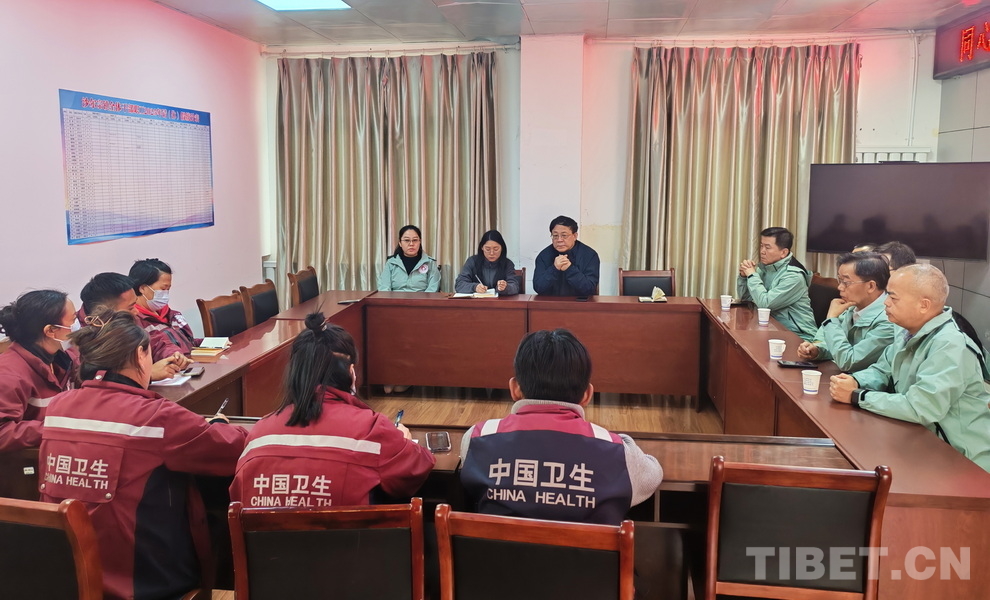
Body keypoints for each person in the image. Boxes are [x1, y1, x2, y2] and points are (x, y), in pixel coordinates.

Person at [39, 309, 247, 600]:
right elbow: (233, 449)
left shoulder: (58, 406)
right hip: (143, 582)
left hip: (67, 576)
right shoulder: (156, 416)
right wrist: (219, 425)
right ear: (140, 355)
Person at [230, 313, 435, 507]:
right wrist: (403, 442)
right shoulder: (371, 429)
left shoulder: (259, 433)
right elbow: (416, 469)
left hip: (268, 535)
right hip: (352, 535)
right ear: (351, 372)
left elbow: (237, 498)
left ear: (295, 372)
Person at [459, 329, 662, 525]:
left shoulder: (477, 439)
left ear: (514, 389)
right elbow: (653, 475)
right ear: (587, 395)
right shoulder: (619, 453)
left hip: (496, 551)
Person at [829, 264, 990, 472]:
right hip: (921, 441)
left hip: (961, 459)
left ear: (923, 305)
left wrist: (857, 396)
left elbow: (920, 408)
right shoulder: (906, 330)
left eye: (893, 297)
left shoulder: (951, 344)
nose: (885, 302)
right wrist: (855, 381)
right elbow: (882, 370)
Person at [0, 290, 77, 452]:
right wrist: (57, 428)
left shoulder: (62, 359)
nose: (76, 328)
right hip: (26, 464)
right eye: (73, 320)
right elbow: (2, 432)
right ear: (50, 331)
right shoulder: (9, 375)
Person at [80, 272, 191, 380]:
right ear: (105, 311)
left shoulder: (130, 321)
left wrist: (174, 356)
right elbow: (93, 382)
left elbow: (157, 342)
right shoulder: (78, 337)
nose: (136, 311)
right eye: (131, 307)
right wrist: (147, 374)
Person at [797, 252, 896, 372]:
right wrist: (818, 350)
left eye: (846, 282)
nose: (839, 287)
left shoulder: (889, 319)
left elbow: (849, 361)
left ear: (871, 286)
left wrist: (831, 320)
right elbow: (836, 344)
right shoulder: (852, 306)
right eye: (840, 280)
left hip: (861, 381)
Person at [736, 226, 817, 341]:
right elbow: (746, 298)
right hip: (773, 329)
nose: (762, 251)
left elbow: (765, 304)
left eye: (767, 247)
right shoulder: (766, 268)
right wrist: (744, 277)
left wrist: (752, 275)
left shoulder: (794, 276)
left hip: (799, 336)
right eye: (761, 246)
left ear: (783, 252)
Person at [129, 258, 200, 360]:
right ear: (143, 288)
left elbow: (189, 343)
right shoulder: (136, 323)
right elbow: (157, 347)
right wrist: (177, 356)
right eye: (163, 289)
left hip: (189, 364)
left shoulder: (173, 315)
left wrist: (215, 343)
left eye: (168, 289)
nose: (166, 293)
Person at [533, 215, 600, 296]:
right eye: (555, 236)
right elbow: (538, 288)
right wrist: (554, 269)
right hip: (551, 302)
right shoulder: (544, 256)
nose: (559, 240)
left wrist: (569, 269)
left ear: (575, 236)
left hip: (580, 302)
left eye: (564, 235)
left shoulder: (589, 255)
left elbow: (589, 289)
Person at [377, 225, 441, 292]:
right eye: (407, 240)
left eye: (415, 240)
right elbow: (384, 288)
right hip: (395, 298)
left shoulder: (430, 263)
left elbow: (433, 289)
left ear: (420, 242)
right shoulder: (391, 263)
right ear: (400, 243)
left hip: (422, 298)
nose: (411, 244)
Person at [455, 230, 520, 296]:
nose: (491, 253)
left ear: (502, 248)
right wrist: (474, 287)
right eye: (488, 249)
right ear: (482, 247)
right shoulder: (472, 262)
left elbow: (515, 286)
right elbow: (459, 285)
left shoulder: (508, 264)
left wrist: (506, 287)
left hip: (500, 302)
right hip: (477, 301)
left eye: (496, 249)